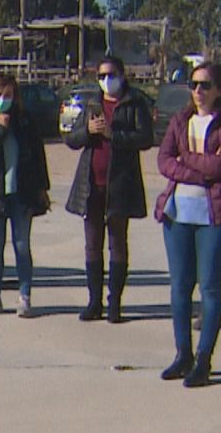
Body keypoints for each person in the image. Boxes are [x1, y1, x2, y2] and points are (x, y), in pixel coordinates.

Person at [153, 60, 221, 387]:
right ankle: (183, 354)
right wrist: (199, 170)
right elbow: (163, 161)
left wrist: (187, 160)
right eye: (193, 85)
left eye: (205, 85)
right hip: (179, 213)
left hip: (214, 216)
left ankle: (204, 360)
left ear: (220, 89)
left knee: (209, 287)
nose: (198, 91)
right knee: (180, 286)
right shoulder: (180, 120)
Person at [64, 55, 154, 322]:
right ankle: (94, 302)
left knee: (118, 244)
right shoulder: (93, 103)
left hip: (120, 184)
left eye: (111, 74)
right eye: (101, 76)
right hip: (91, 184)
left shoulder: (134, 103)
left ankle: (115, 303)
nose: (106, 80)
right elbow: (72, 139)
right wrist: (88, 131)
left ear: (123, 75)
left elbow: (146, 138)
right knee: (92, 245)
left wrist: (113, 135)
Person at [0, 73, 50, 317]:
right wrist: (0, 129)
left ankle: (24, 296)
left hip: (21, 192)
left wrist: (42, 187)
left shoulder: (24, 120)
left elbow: (38, 154)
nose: (4, 100)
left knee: (22, 244)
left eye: (8, 95)